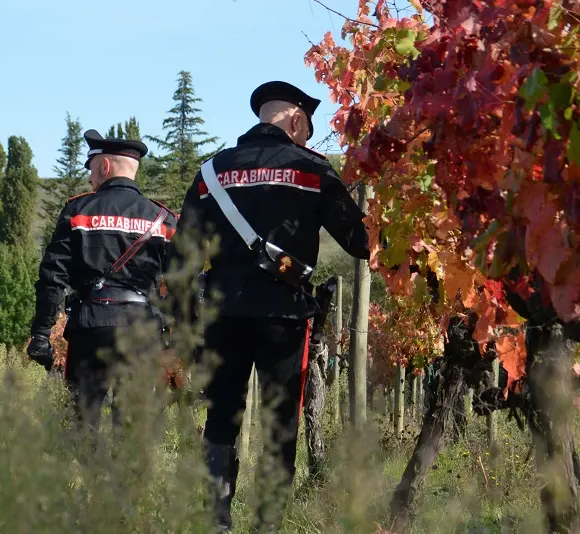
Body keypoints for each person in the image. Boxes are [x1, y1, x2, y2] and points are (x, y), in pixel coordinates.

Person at [165, 81, 370, 532]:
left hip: (222, 316)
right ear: (296, 120)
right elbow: (360, 242)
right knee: (280, 424)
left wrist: (179, 337)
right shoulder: (312, 168)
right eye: (308, 130)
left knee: (221, 417)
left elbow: (179, 262)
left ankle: (217, 521)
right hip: (284, 314)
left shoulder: (212, 173)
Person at [26, 129, 178, 434]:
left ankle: (87, 478)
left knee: (80, 425)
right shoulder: (164, 220)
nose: (90, 179)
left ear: (105, 168)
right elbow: (181, 287)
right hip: (142, 330)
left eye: (92, 171)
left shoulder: (78, 211)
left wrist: (41, 334)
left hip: (90, 326)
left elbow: (52, 276)